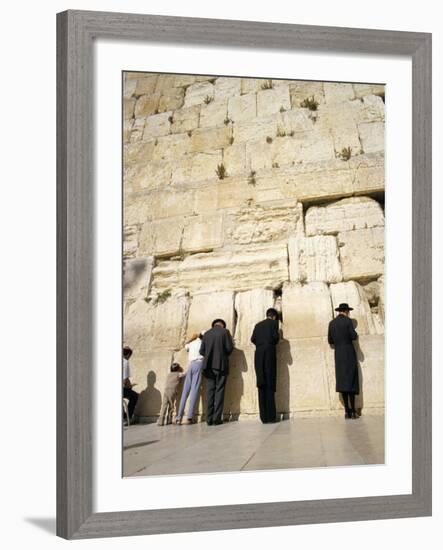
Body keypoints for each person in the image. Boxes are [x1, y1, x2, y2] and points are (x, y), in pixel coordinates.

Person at [328, 303, 359, 419]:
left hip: (339, 354)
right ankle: (353, 410)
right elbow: (353, 336)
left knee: (342, 381)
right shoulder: (348, 321)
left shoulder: (331, 323)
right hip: (349, 353)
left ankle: (346, 411)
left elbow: (330, 340)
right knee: (351, 381)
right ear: (346, 311)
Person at [200, 319, 234, 426]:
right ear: (222, 325)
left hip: (208, 367)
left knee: (210, 391)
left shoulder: (207, 334)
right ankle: (216, 418)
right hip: (221, 366)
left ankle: (208, 418)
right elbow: (229, 348)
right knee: (219, 391)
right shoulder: (225, 332)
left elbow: (201, 351)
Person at [251, 308, 280, 424]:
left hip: (258, 354)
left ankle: (263, 417)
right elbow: (275, 338)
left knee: (261, 383)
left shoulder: (258, 325)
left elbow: (252, 339)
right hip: (269, 354)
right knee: (270, 383)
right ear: (274, 317)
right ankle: (271, 417)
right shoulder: (274, 323)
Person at [175, 333, 205, 425]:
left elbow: (186, 346)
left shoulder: (192, 343)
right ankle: (189, 417)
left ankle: (178, 417)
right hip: (199, 364)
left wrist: (192, 338)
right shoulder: (203, 343)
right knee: (194, 390)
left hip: (190, 365)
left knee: (185, 391)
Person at [122, 346, 139, 422]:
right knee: (134, 396)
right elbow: (124, 380)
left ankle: (124, 416)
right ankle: (126, 418)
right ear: (128, 355)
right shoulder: (125, 362)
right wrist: (130, 386)